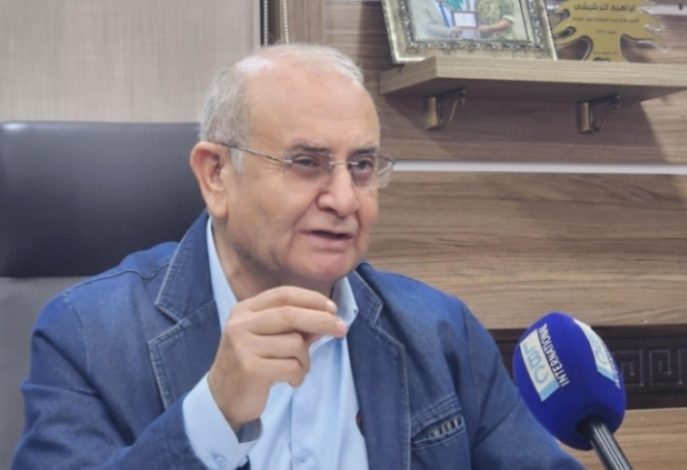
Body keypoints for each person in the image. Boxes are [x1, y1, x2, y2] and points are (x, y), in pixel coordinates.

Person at [13, 44, 582, 469]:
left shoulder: (440, 332)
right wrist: (213, 414)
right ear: (216, 175)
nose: (344, 200)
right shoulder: (88, 333)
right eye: (307, 163)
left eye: (362, 166)